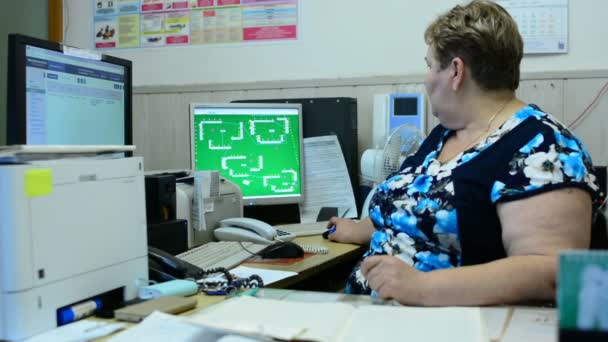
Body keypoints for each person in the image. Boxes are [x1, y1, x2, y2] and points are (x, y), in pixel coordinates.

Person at [327, 0, 605, 306]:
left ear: (456, 71)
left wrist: (423, 287)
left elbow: (553, 272)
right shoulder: (444, 134)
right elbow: (411, 210)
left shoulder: (545, 148)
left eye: (430, 65)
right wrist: (356, 229)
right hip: (369, 313)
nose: (427, 78)